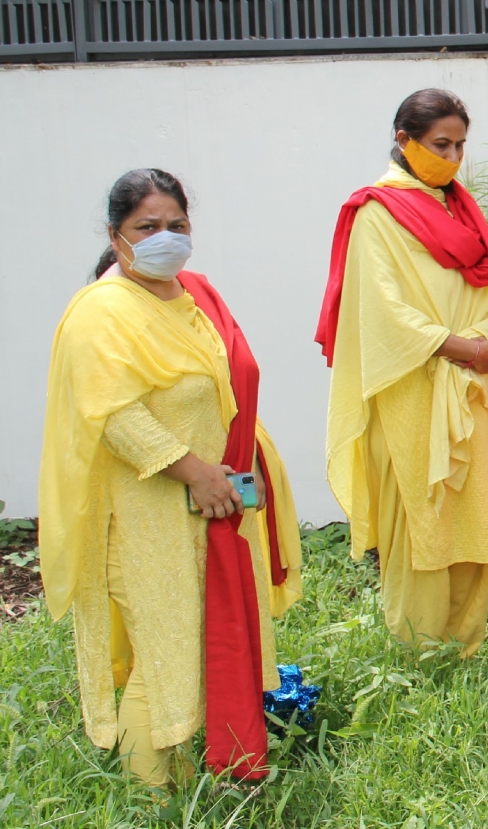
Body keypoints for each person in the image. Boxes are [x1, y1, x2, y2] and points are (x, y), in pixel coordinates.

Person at [38, 169, 301, 787]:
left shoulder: (194, 295)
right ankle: (151, 799)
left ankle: (189, 777)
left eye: (177, 225)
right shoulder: (100, 312)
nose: (166, 237)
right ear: (116, 234)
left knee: (201, 640)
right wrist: (195, 474)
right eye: (147, 227)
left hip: (211, 502)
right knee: (164, 652)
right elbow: (113, 414)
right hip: (143, 513)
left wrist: (239, 476)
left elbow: (225, 393)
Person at [317, 88, 488, 658]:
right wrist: (465, 349)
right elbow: (383, 311)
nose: (451, 158)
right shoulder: (377, 212)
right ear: (404, 140)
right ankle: (419, 653)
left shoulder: (462, 207)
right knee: (422, 527)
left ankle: (467, 647)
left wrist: (479, 342)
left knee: (473, 520)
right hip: (411, 387)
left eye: (459, 146)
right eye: (439, 145)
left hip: (468, 387)